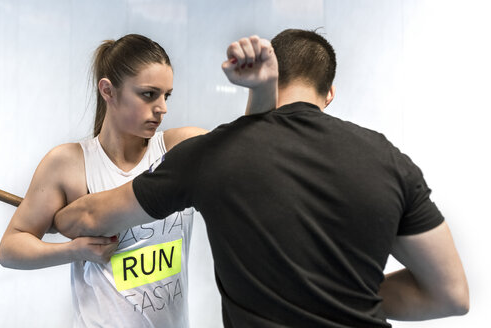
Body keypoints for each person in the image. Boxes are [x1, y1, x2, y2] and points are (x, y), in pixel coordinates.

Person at [53, 29, 469, 327]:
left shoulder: (211, 155)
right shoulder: (390, 161)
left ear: (274, 80)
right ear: (329, 93)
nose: (160, 108)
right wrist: (340, 295)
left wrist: (58, 217)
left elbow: (86, 218)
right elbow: (450, 295)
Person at [0, 33, 277, 327]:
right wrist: (74, 250)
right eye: (148, 94)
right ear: (108, 90)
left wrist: (261, 87)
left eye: (166, 95)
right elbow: (11, 248)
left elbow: (250, 148)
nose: (162, 108)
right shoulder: (68, 163)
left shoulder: (180, 148)